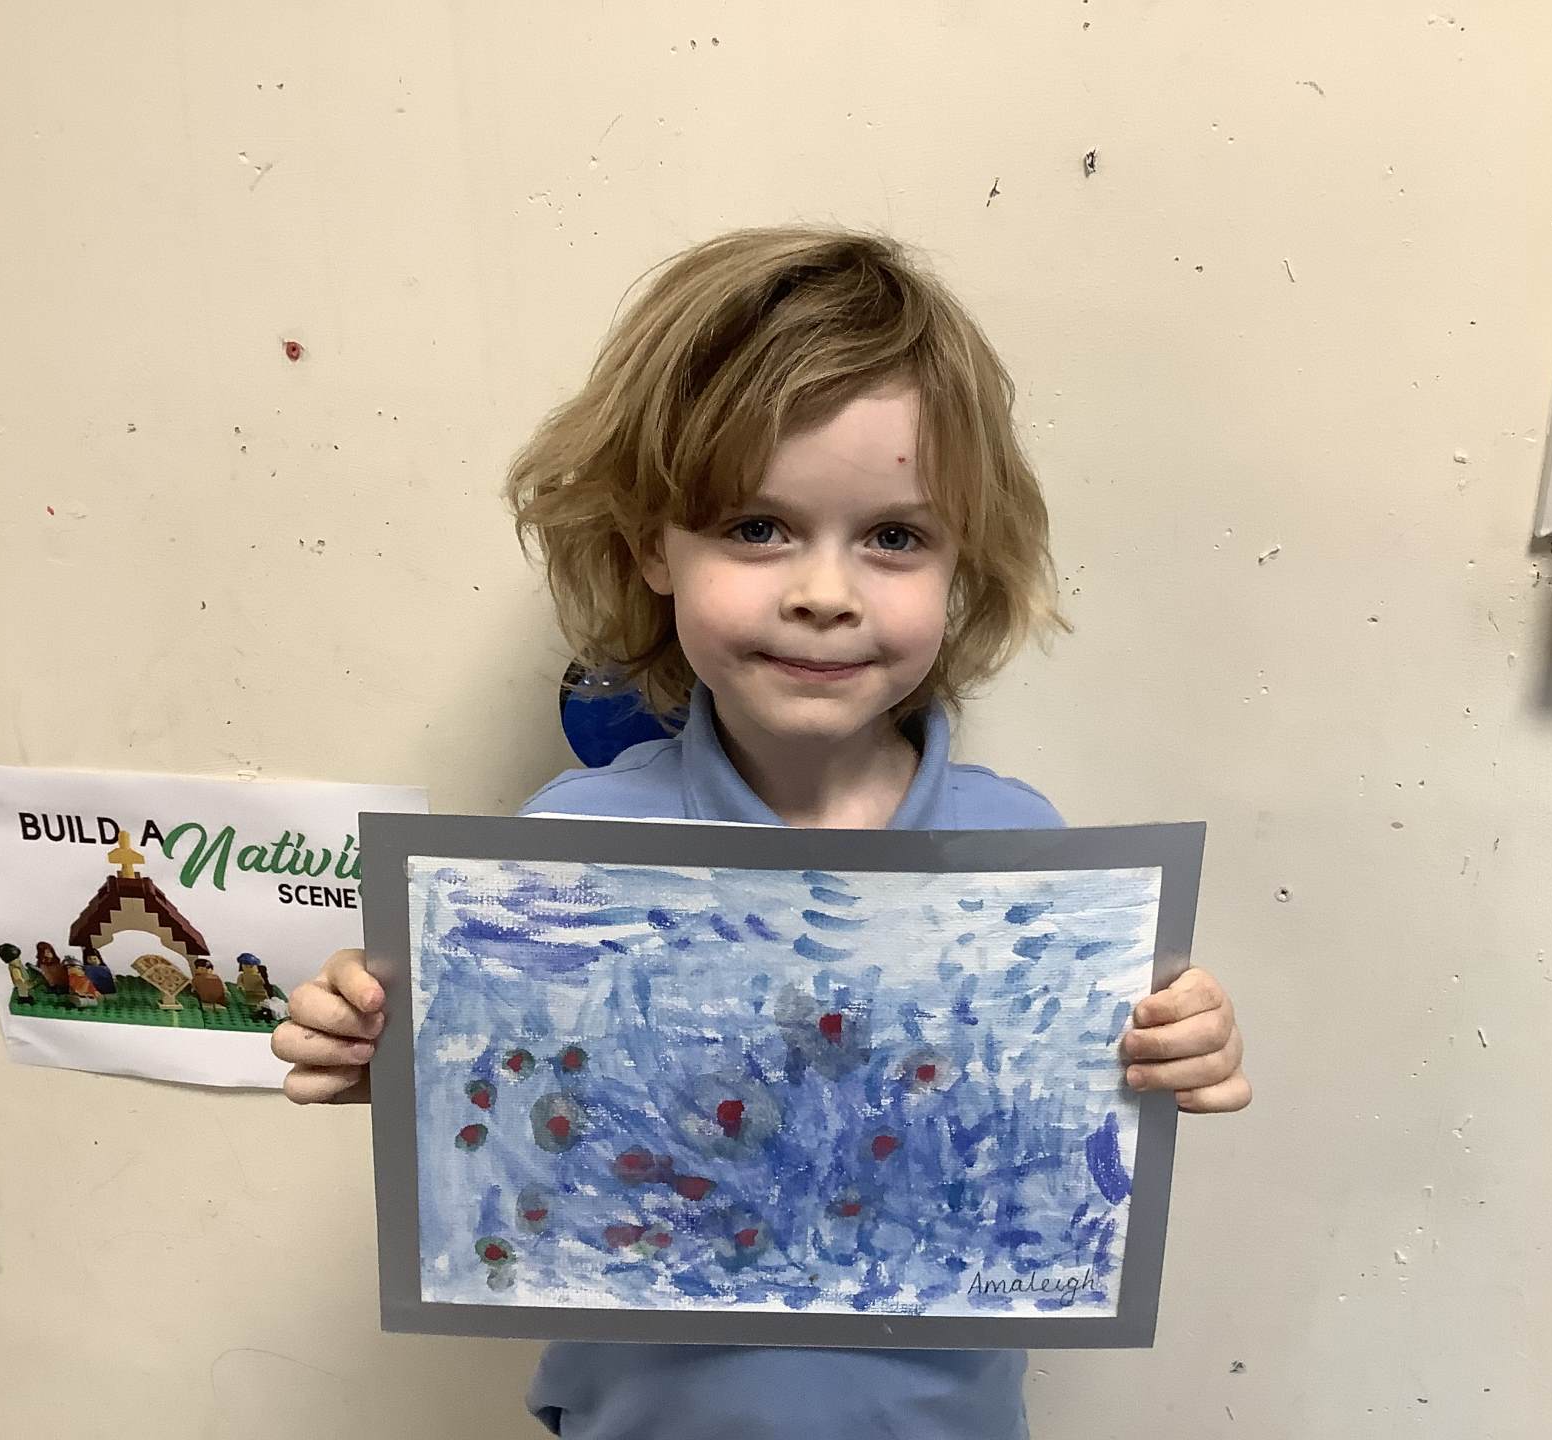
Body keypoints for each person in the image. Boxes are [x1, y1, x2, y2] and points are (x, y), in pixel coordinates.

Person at [273, 226, 1250, 1439]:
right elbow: (508, 1131)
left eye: (894, 536)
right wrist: (393, 1047)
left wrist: (1174, 1049)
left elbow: (1071, 1131)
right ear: (651, 544)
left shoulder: (1026, 859)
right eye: (756, 526)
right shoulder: (561, 855)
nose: (823, 593)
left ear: (961, 565)